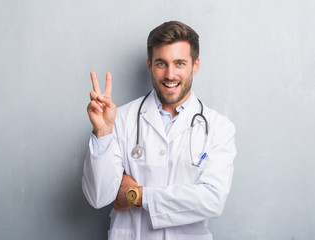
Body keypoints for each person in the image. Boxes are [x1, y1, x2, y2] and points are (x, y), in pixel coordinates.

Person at [82, 21, 236, 240]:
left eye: (180, 63)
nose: (170, 74)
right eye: (161, 63)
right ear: (149, 65)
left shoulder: (218, 127)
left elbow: (212, 200)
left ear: (195, 65)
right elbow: (98, 197)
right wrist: (103, 132)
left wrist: (138, 196)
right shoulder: (121, 118)